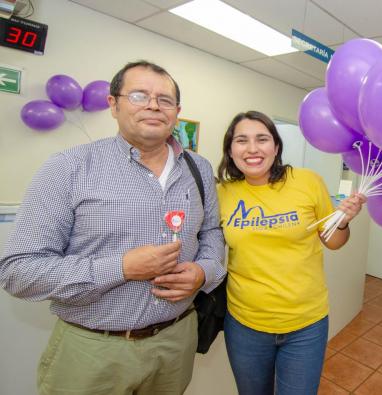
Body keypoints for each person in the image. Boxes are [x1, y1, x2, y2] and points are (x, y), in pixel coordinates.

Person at [0, 60, 225, 395]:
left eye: (164, 100)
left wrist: (204, 272)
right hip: (93, 350)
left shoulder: (200, 169)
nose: (153, 105)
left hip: (176, 342)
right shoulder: (68, 168)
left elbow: (211, 233)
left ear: (176, 112)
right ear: (113, 104)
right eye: (139, 95)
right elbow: (17, 271)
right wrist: (121, 268)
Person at [216, 111, 366, 395]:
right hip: (245, 325)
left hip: (306, 325)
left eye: (262, 139)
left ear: (276, 146)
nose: (252, 149)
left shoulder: (307, 182)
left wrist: (342, 222)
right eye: (241, 140)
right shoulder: (222, 193)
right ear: (230, 149)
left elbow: (333, 242)